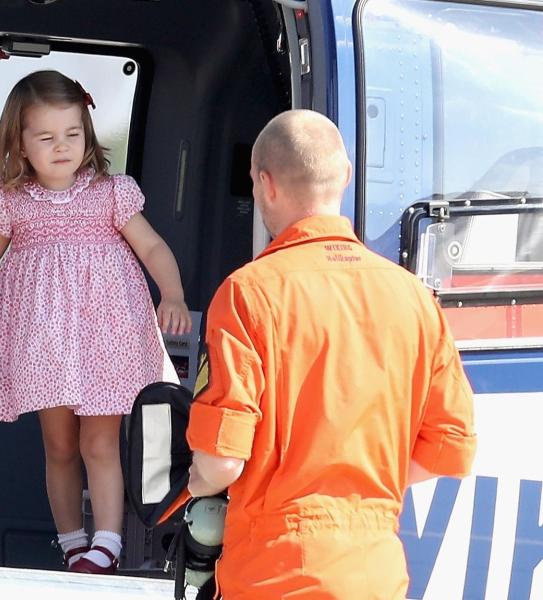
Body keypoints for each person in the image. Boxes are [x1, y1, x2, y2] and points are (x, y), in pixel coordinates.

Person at [185, 109, 477, 598]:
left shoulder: (247, 294)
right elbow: (450, 448)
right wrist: (357, 495)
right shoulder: (414, 298)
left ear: (265, 183)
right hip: (376, 574)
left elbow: (223, 461)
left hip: (272, 575)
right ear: (344, 176)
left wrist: (193, 485)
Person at [0, 70, 191, 575]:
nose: (62, 147)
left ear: (87, 133)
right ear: (19, 144)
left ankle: (106, 544)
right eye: (46, 137)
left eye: (72, 134)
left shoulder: (111, 193)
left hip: (104, 338)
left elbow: (150, 246)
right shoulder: (13, 202)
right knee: (58, 445)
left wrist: (171, 292)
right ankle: (72, 543)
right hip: (45, 345)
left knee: (99, 441)